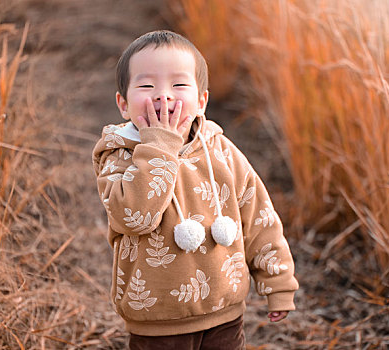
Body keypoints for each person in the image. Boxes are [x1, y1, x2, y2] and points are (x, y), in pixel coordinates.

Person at [92, 30, 299, 350]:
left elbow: (257, 214)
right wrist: (159, 145)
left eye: (179, 85)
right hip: (157, 319)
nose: (164, 95)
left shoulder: (221, 151)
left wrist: (277, 281)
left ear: (202, 101)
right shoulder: (119, 155)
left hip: (226, 312)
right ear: (123, 104)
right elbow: (133, 217)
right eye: (147, 86)